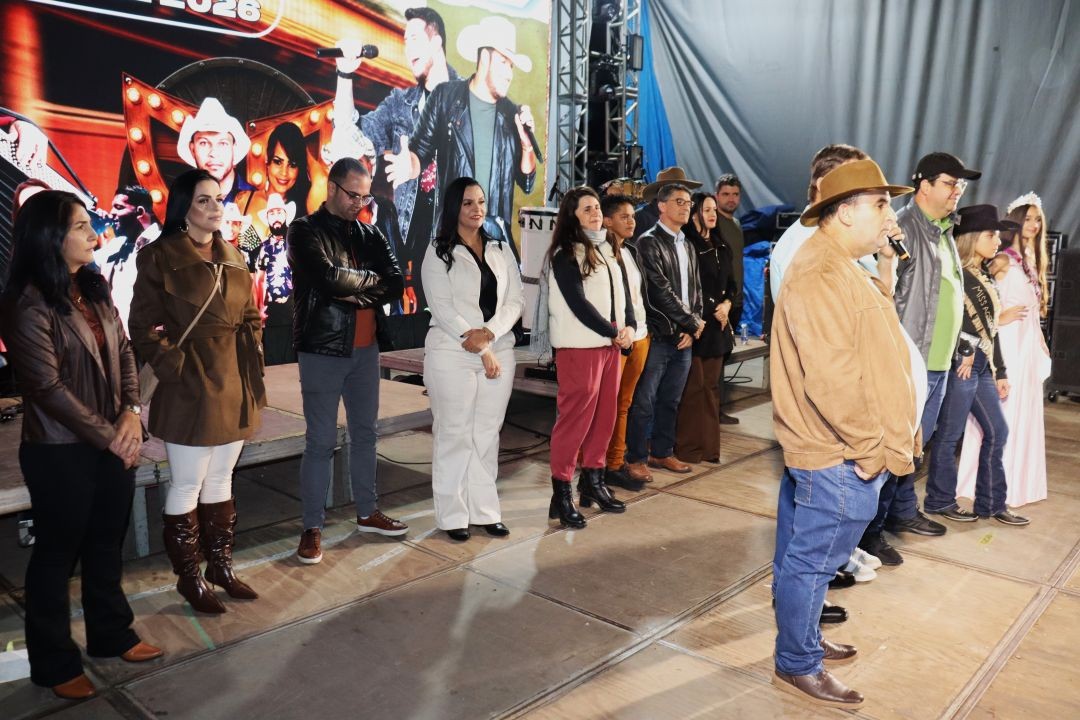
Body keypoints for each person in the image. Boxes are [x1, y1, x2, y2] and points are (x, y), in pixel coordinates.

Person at [2, 190, 163, 700]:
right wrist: (114, 437)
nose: (94, 234)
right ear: (50, 237)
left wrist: (133, 415)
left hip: (111, 440)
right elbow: (47, 390)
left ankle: (111, 633)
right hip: (59, 450)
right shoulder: (28, 301)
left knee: (104, 544)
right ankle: (53, 662)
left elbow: (127, 353)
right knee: (56, 555)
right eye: (79, 227)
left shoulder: (93, 289)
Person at [770, 159, 918, 708]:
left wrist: (885, 263)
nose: (889, 214)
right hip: (837, 452)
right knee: (811, 563)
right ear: (844, 210)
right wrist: (871, 449)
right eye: (880, 204)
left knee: (805, 559)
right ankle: (797, 663)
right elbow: (831, 378)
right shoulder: (819, 272)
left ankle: (801, 640)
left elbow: (872, 336)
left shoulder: (841, 264)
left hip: (841, 451)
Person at [129, 169, 266, 614]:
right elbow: (143, 326)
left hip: (234, 378)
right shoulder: (158, 256)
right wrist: (175, 363)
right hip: (189, 382)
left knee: (222, 478)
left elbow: (249, 313)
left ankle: (220, 567)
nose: (214, 208)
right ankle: (189, 576)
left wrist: (252, 350)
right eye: (204, 200)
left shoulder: (234, 255)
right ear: (184, 206)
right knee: (187, 482)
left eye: (219, 199)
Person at [860, 152, 981, 566]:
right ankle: (870, 533)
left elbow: (948, 293)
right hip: (910, 361)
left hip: (938, 361)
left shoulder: (944, 230)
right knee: (895, 447)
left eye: (960, 185)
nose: (956, 191)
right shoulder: (904, 228)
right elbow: (883, 292)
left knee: (914, 449)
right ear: (924, 185)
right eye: (950, 183)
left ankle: (900, 512)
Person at [287, 157, 407, 564]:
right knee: (320, 442)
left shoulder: (370, 232)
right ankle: (312, 527)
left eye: (364, 195)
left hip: (366, 348)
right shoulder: (304, 230)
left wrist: (357, 289)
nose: (359, 202)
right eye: (352, 194)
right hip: (322, 348)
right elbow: (328, 279)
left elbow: (393, 282)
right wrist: (354, 284)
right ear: (332, 188)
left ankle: (367, 513)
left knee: (366, 434)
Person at [333, 6, 460, 304]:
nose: (407, 49)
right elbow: (352, 140)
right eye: (404, 41)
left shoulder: (468, 98)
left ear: (436, 41)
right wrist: (344, 74)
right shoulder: (399, 104)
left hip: (454, 243)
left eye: (414, 38)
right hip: (409, 246)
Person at [421, 177, 523, 541]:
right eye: (467, 203)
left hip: (500, 350)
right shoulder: (438, 250)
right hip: (452, 350)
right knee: (454, 434)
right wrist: (479, 343)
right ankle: (452, 516)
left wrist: (491, 335)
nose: (477, 209)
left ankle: (485, 511)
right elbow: (443, 306)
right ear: (454, 207)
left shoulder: (499, 246)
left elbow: (516, 300)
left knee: (486, 434)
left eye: (480, 201)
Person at [384, 15, 538, 244]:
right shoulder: (445, 97)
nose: (510, 74)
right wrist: (410, 166)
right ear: (485, 57)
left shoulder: (511, 114)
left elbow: (526, 182)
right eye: (504, 62)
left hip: (494, 239)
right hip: (452, 234)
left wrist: (527, 147)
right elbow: (419, 151)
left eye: (511, 66)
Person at [924, 205, 1029, 525]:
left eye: (997, 235)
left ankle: (992, 503)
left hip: (982, 366)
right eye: (989, 235)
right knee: (950, 435)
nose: (997, 240)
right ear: (971, 238)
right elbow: (948, 320)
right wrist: (966, 348)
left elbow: (991, 329)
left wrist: (1001, 371)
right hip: (962, 365)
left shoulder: (983, 274)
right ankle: (940, 500)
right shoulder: (956, 275)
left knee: (998, 430)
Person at [540, 187, 634, 527]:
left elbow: (623, 298)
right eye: (587, 209)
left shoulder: (608, 250)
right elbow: (578, 304)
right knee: (574, 422)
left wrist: (629, 329)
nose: (596, 213)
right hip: (580, 348)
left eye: (597, 207)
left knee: (604, 418)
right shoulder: (565, 254)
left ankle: (593, 482)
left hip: (610, 347)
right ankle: (561, 492)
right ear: (572, 216)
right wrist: (613, 331)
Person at [957, 194, 1051, 508]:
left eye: (1038, 219)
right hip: (1005, 344)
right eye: (1028, 219)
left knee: (1021, 410)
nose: (1034, 225)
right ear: (1015, 221)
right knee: (1001, 413)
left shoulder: (1032, 262)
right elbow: (972, 303)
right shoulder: (1002, 260)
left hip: (1026, 345)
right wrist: (1000, 317)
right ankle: (979, 482)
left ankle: (1017, 482)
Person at [624, 183, 704, 479]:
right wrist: (692, 323)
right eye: (679, 201)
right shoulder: (648, 242)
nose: (686, 207)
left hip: (683, 337)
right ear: (661, 206)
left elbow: (695, 291)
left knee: (670, 400)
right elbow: (660, 292)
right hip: (658, 335)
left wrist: (692, 326)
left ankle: (662, 452)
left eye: (689, 203)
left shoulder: (687, 244)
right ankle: (634, 458)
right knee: (644, 401)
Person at [675, 192, 738, 463]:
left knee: (711, 389)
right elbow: (689, 286)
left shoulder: (722, 247)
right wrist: (713, 308)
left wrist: (726, 305)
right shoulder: (688, 245)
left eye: (714, 209)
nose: (713, 214)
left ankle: (710, 449)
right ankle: (688, 449)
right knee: (693, 389)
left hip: (718, 328)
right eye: (707, 209)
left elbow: (732, 286)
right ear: (695, 213)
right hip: (697, 325)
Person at [601, 194, 651, 490]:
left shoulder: (631, 251)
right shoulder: (601, 254)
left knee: (624, 405)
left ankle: (615, 463)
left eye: (633, 216)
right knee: (607, 406)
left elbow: (638, 298)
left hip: (641, 336)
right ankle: (600, 464)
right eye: (624, 216)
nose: (631, 221)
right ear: (607, 221)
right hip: (616, 340)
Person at [93, 185, 162, 331]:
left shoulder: (163, 247)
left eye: (118, 207)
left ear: (140, 212)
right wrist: (91, 227)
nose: (111, 213)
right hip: (117, 343)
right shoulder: (117, 245)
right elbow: (80, 263)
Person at [237, 121, 314, 238]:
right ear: (267, 159)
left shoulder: (306, 206)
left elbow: (322, 179)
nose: (284, 172)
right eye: (278, 162)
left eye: (292, 164)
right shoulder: (243, 199)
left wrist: (304, 152)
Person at [176, 97, 253, 204]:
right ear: (192, 149)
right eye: (203, 143)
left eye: (222, 143)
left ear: (234, 149)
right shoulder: (181, 203)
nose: (213, 153)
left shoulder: (257, 201)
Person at [252, 193, 297, 365]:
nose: (276, 217)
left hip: (294, 308)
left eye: (279, 212)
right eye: (272, 213)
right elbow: (259, 279)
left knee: (292, 359)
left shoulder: (295, 243)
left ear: (285, 215)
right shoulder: (264, 248)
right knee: (273, 357)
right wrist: (259, 309)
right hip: (271, 312)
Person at [631, 167, 701, 242]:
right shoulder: (641, 218)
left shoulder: (687, 217)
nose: (681, 192)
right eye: (679, 201)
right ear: (662, 191)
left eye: (683, 188)